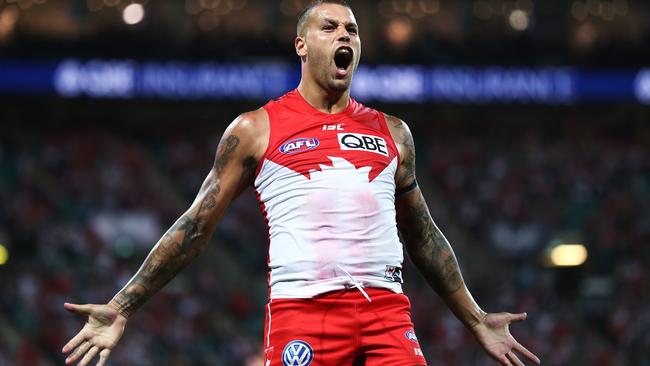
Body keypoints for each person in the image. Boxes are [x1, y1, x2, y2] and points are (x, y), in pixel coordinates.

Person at [62, 1, 541, 365]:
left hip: (386, 314)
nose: (343, 35)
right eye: (329, 27)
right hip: (303, 315)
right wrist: (123, 305)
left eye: (351, 29)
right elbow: (194, 228)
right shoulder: (255, 129)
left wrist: (475, 317)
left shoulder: (393, 132)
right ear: (302, 45)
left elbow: (423, 235)